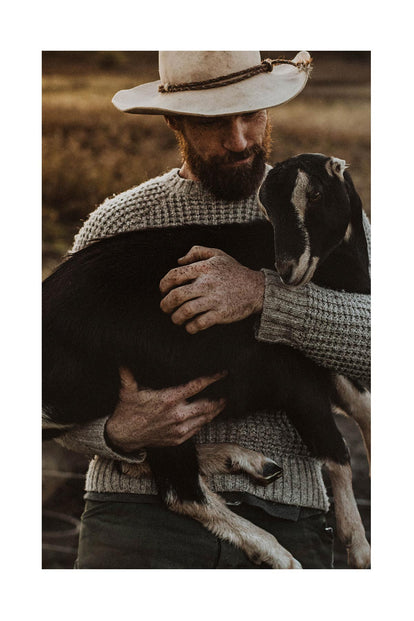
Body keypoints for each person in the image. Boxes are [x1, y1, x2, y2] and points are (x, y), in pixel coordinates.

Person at [55, 51, 371, 569]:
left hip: (290, 515)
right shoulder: (117, 222)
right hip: (136, 516)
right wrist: (117, 434)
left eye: (252, 115)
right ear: (173, 121)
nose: (241, 139)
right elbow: (46, 380)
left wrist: (264, 294)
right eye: (214, 122)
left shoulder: (322, 206)